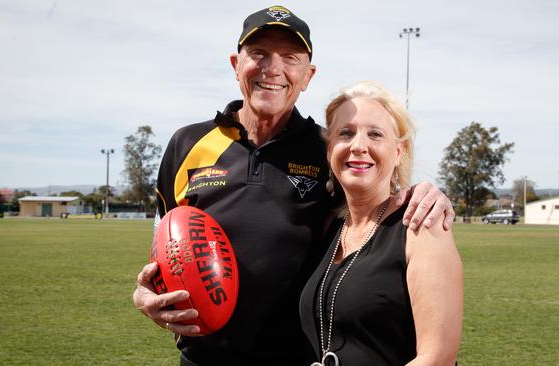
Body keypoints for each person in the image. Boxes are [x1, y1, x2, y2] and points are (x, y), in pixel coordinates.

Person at [133, 6, 455, 366]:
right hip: (201, 358)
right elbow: (163, 242)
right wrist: (146, 294)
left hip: (295, 358)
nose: (272, 69)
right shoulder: (187, 144)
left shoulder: (328, 149)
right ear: (235, 64)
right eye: (259, 54)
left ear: (308, 75)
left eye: (290, 57)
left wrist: (427, 192)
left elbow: (375, 194)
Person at [299, 81, 463, 366]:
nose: (358, 146)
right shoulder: (330, 228)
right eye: (345, 133)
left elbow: (437, 358)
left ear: (398, 152)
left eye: (375, 134)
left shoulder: (421, 227)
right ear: (329, 150)